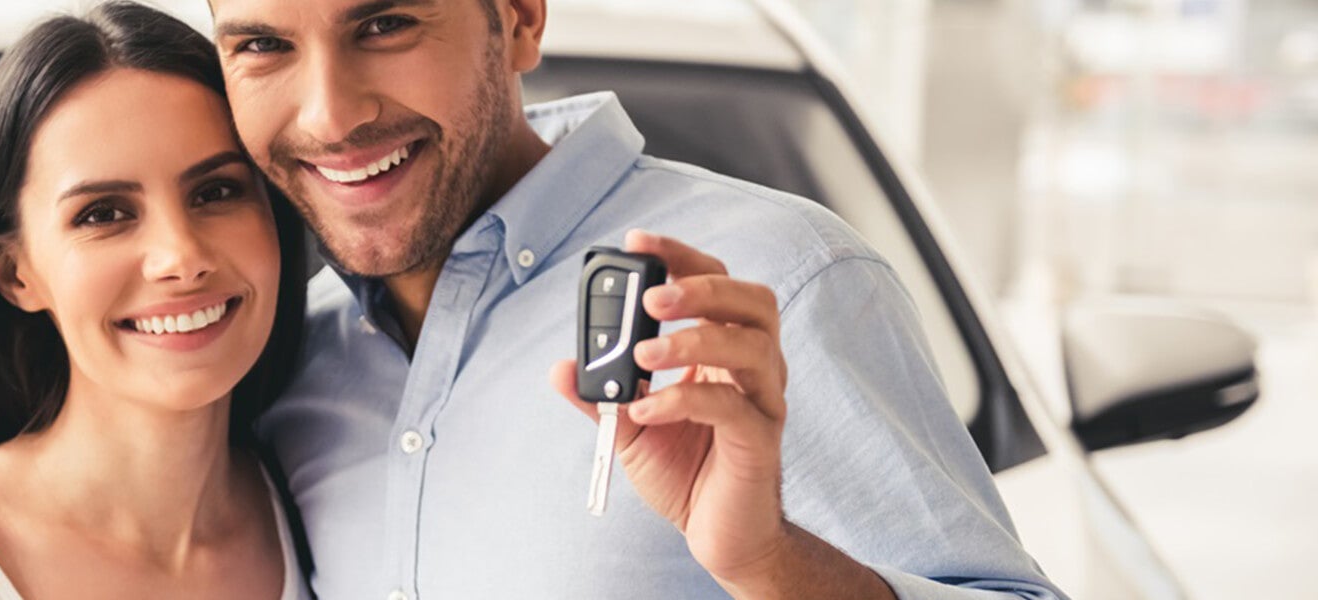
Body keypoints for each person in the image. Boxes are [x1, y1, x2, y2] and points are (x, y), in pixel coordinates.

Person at [206, 0, 1065, 597]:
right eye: (262, 45)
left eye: (385, 24)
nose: (329, 116)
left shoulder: (770, 282)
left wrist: (770, 566)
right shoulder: (277, 359)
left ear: (520, 19)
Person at [0, 3, 311, 599]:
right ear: (15, 274)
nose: (180, 255)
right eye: (103, 214)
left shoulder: (328, 510)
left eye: (216, 192)